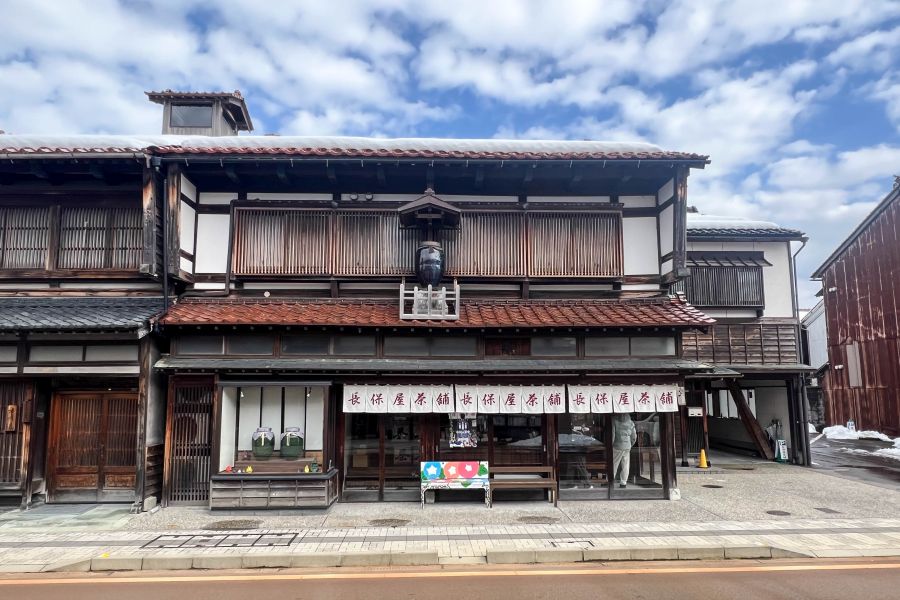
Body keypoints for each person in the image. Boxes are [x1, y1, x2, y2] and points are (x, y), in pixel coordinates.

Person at [612, 413, 637, 488]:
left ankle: (611, 480)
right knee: (625, 465)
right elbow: (634, 437)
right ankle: (623, 482)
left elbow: (612, 435)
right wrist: (630, 444)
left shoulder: (614, 421)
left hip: (617, 446)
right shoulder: (631, 422)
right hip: (627, 446)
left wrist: (611, 445)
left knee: (614, 464)